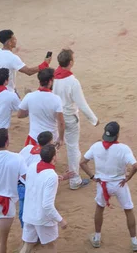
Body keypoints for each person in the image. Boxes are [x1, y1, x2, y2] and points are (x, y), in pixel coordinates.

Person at [80, 122, 137, 251]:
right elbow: (135, 166)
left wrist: (93, 177)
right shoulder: (123, 148)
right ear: (118, 134)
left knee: (99, 208)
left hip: (102, 184)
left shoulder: (96, 146)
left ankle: (97, 238)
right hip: (119, 184)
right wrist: (128, 177)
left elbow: (82, 163)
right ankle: (134, 241)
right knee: (128, 210)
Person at [52, 48, 99, 190]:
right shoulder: (72, 81)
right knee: (73, 148)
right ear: (71, 62)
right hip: (70, 118)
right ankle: (74, 180)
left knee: (54, 144)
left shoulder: (54, 76)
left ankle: (47, 173)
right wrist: (93, 119)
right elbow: (82, 104)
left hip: (56, 116)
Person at [20, 145, 72, 253]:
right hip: (43, 219)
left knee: (27, 247)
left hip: (29, 214)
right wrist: (60, 220)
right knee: (50, 247)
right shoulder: (51, 176)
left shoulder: (32, 166)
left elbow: (37, 180)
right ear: (54, 157)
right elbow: (47, 205)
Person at [0, 29, 51, 94]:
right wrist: (45, 64)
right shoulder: (13, 58)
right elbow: (29, 71)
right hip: (9, 90)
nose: (16, 40)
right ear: (9, 42)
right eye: (14, 39)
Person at [18, 68, 66, 147]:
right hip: (51, 139)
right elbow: (61, 123)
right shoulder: (56, 99)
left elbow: (20, 114)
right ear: (50, 81)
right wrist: (61, 139)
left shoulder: (30, 96)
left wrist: (31, 109)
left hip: (34, 137)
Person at [17, 131, 54, 227]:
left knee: (23, 210)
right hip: (33, 186)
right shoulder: (43, 159)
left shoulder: (28, 148)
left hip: (21, 184)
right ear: (49, 143)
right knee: (37, 210)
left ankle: (26, 231)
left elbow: (18, 160)